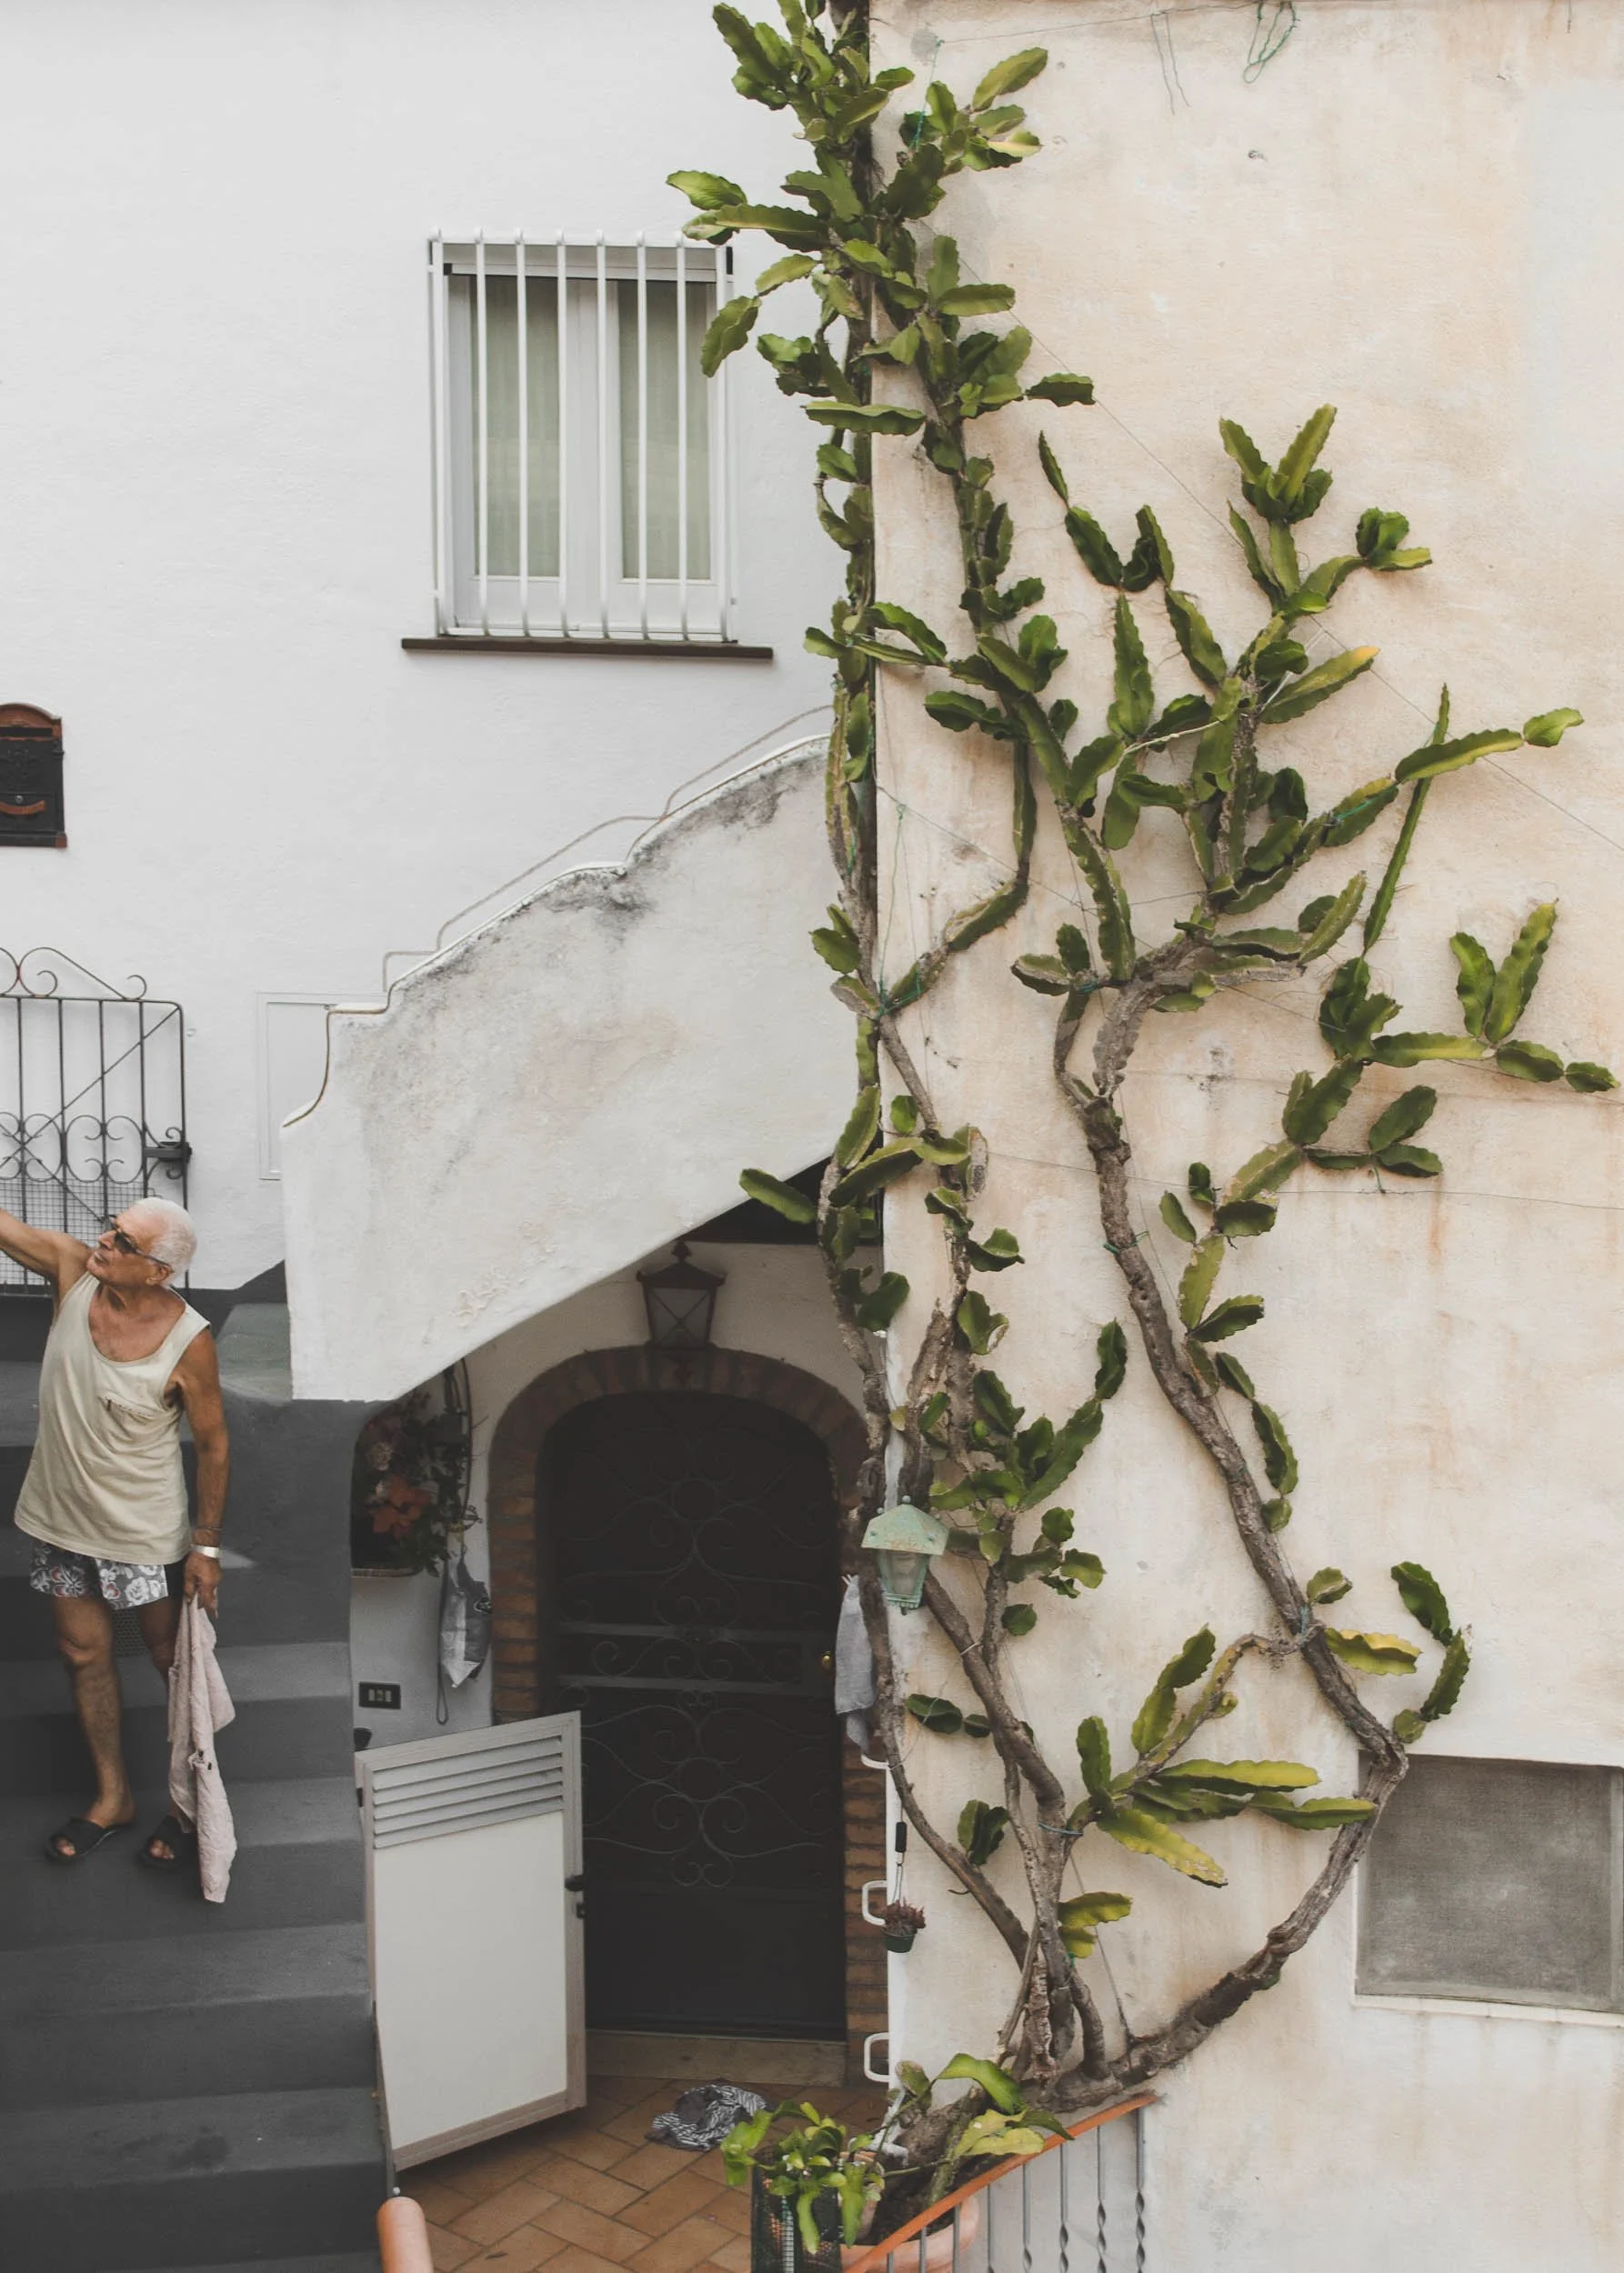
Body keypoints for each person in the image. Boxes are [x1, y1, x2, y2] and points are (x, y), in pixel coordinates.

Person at [1, 1197, 229, 1868]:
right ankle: (112, 1797)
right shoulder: (75, 1272)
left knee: (171, 1663)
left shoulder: (191, 1339)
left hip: (141, 1530)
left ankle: (190, 1803)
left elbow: (214, 1445)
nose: (103, 1240)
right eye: (112, 1225)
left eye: (123, 1240)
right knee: (82, 1655)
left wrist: (206, 1547)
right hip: (60, 1519)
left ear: (158, 1272)